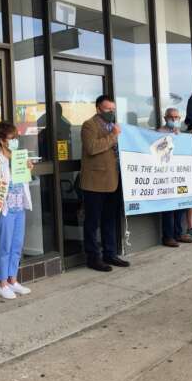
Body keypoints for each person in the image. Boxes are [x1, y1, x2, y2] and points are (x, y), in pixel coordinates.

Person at [80, 95, 130, 272]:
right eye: (108, 109)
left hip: (113, 181)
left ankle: (110, 253)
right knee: (93, 222)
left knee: (110, 220)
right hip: (95, 183)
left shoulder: (114, 126)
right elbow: (92, 148)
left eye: (113, 109)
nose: (111, 112)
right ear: (98, 109)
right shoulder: (89, 125)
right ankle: (93, 257)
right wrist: (113, 136)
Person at [0, 121, 34, 300]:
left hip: (19, 207)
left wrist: (28, 168)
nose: (14, 141)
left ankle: (13, 280)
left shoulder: (19, 157)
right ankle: (2, 283)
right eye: (11, 138)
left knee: (17, 245)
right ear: (1, 141)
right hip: (4, 210)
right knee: (5, 246)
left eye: (16, 138)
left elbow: (24, 182)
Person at [160, 107, 192, 247]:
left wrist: (179, 136)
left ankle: (179, 233)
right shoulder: (159, 132)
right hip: (166, 176)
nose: (174, 120)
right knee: (168, 207)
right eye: (171, 117)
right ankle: (168, 236)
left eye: (176, 117)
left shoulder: (180, 134)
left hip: (178, 175)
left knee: (180, 205)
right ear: (165, 118)